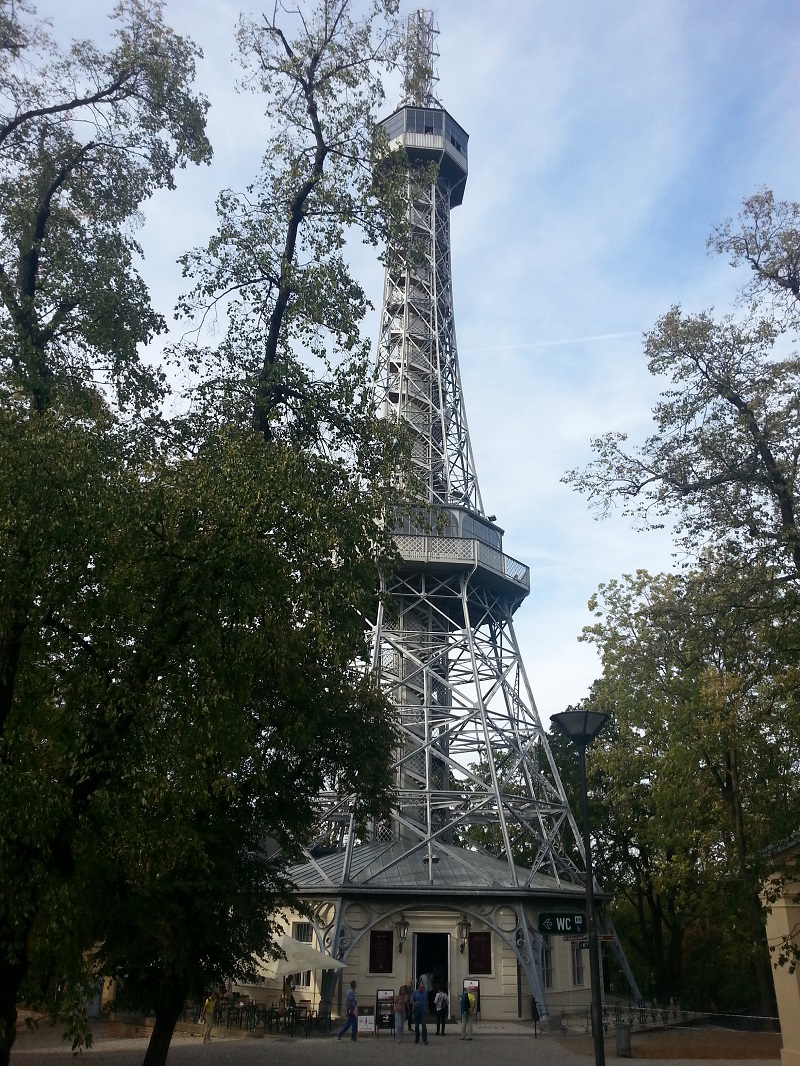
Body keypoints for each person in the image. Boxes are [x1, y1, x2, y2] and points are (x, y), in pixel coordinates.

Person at [411, 979, 428, 1045]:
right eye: (420, 988)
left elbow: (426, 1001)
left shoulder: (425, 992)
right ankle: (417, 1039)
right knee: (416, 1025)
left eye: (422, 988)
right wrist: (414, 1003)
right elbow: (411, 1000)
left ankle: (425, 1039)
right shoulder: (415, 992)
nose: (421, 990)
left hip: (423, 1010)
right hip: (416, 1010)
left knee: (424, 1025)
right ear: (418, 988)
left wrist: (427, 1009)